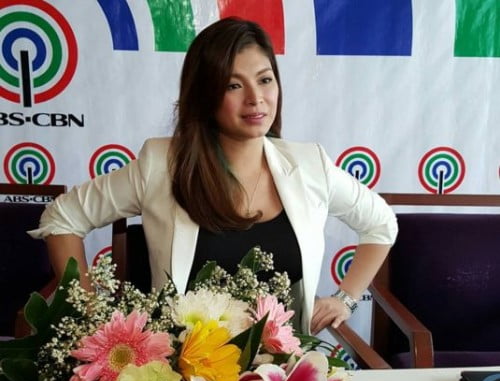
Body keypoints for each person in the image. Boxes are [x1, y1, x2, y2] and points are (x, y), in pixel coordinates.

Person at [30, 17, 397, 335]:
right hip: (182, 370)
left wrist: (346, 298)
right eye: (234, 85)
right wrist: (90, 312)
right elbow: (62, 217)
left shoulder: (310, 164)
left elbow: (381, 224)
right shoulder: (162, 164)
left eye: (265, 80)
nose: (256, 98)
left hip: (282, 369)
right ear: (204, 96)